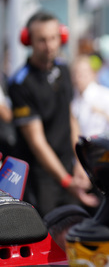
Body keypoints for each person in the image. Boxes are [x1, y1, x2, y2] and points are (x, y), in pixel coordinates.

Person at [8, 11, 99, 216]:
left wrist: (79, 163)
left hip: (69, 167)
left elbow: (70, 118)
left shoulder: (63, 69)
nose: (49, 45)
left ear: (61, 38)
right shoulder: (21, 83)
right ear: (27, 41)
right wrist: (67, 181)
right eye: (41, 40)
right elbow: (37, 142)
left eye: (53, 38)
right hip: (42, 177)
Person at [71, 54, 109, 137]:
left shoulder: (106, 95)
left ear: (93, 73)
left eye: (83, 73)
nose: (78, 77)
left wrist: (103, 113)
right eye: (76, 73)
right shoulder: (73, 99)